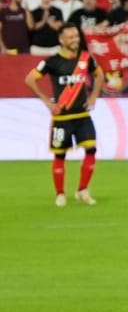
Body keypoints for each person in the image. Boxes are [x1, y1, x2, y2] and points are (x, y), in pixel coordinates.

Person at [24, 22, 104, 207]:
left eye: (76, 36)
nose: (75, 40)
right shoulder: (52, 61)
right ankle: (60, 193)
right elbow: (30, 79)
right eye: (70, 37)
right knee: (60, 155)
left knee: (91, 150)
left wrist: (93, 97)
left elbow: (100, 75)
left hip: (83, 116)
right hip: (62, 118)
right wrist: (47, 101)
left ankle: (83, 190)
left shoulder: (86, 58)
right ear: (61, 40)